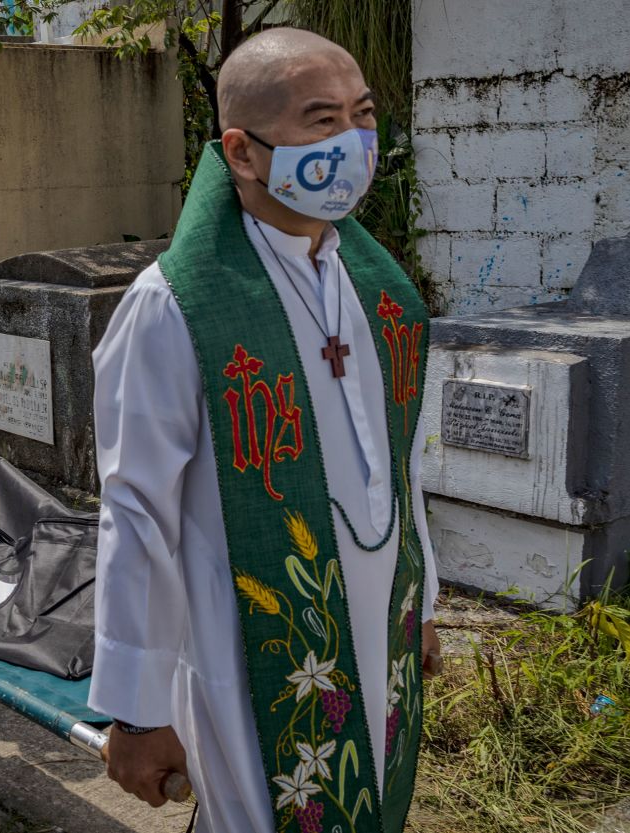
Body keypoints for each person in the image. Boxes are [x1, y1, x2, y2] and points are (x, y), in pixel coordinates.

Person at [90, 29, 443, 833]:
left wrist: (418, 606)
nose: (353, 143)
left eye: (363, 115)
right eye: (321, 122)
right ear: (242, 153)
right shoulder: (174, 307)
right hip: (243, 647)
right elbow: (135, 507)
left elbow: (401, 460)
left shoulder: (373, 287)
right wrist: (138, 710)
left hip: (377, 620)